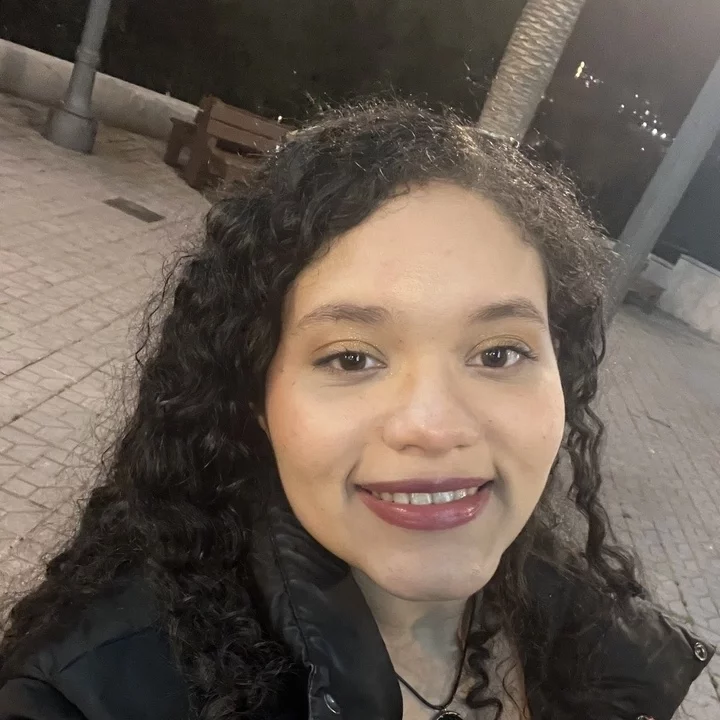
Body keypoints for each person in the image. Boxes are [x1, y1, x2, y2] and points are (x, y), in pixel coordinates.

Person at [0, 100, 714, 720]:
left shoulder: (600, 641)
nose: (434, 427)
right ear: (254, 396)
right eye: (351, 358)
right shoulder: (86, 695)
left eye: (499, 353)